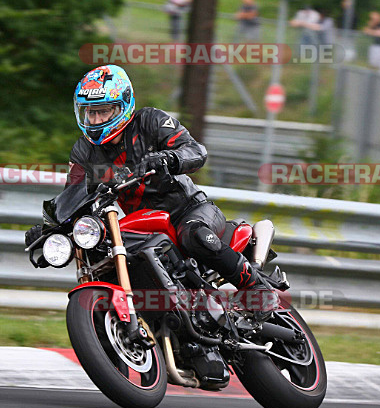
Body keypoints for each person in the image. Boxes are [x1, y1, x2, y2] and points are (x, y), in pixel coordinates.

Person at [25, 65, 277, 319]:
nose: (97, 120)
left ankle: (257, 288)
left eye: (103, 111)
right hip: (142, 224)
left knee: (193, 235)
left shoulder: (149, 121)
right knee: (105, 254)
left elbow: (196, 150)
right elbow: (73, 195)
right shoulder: (83, 152)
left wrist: (169, 158)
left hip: (188, 209)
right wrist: (50, 229)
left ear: (122, 106)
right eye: (91, 113)